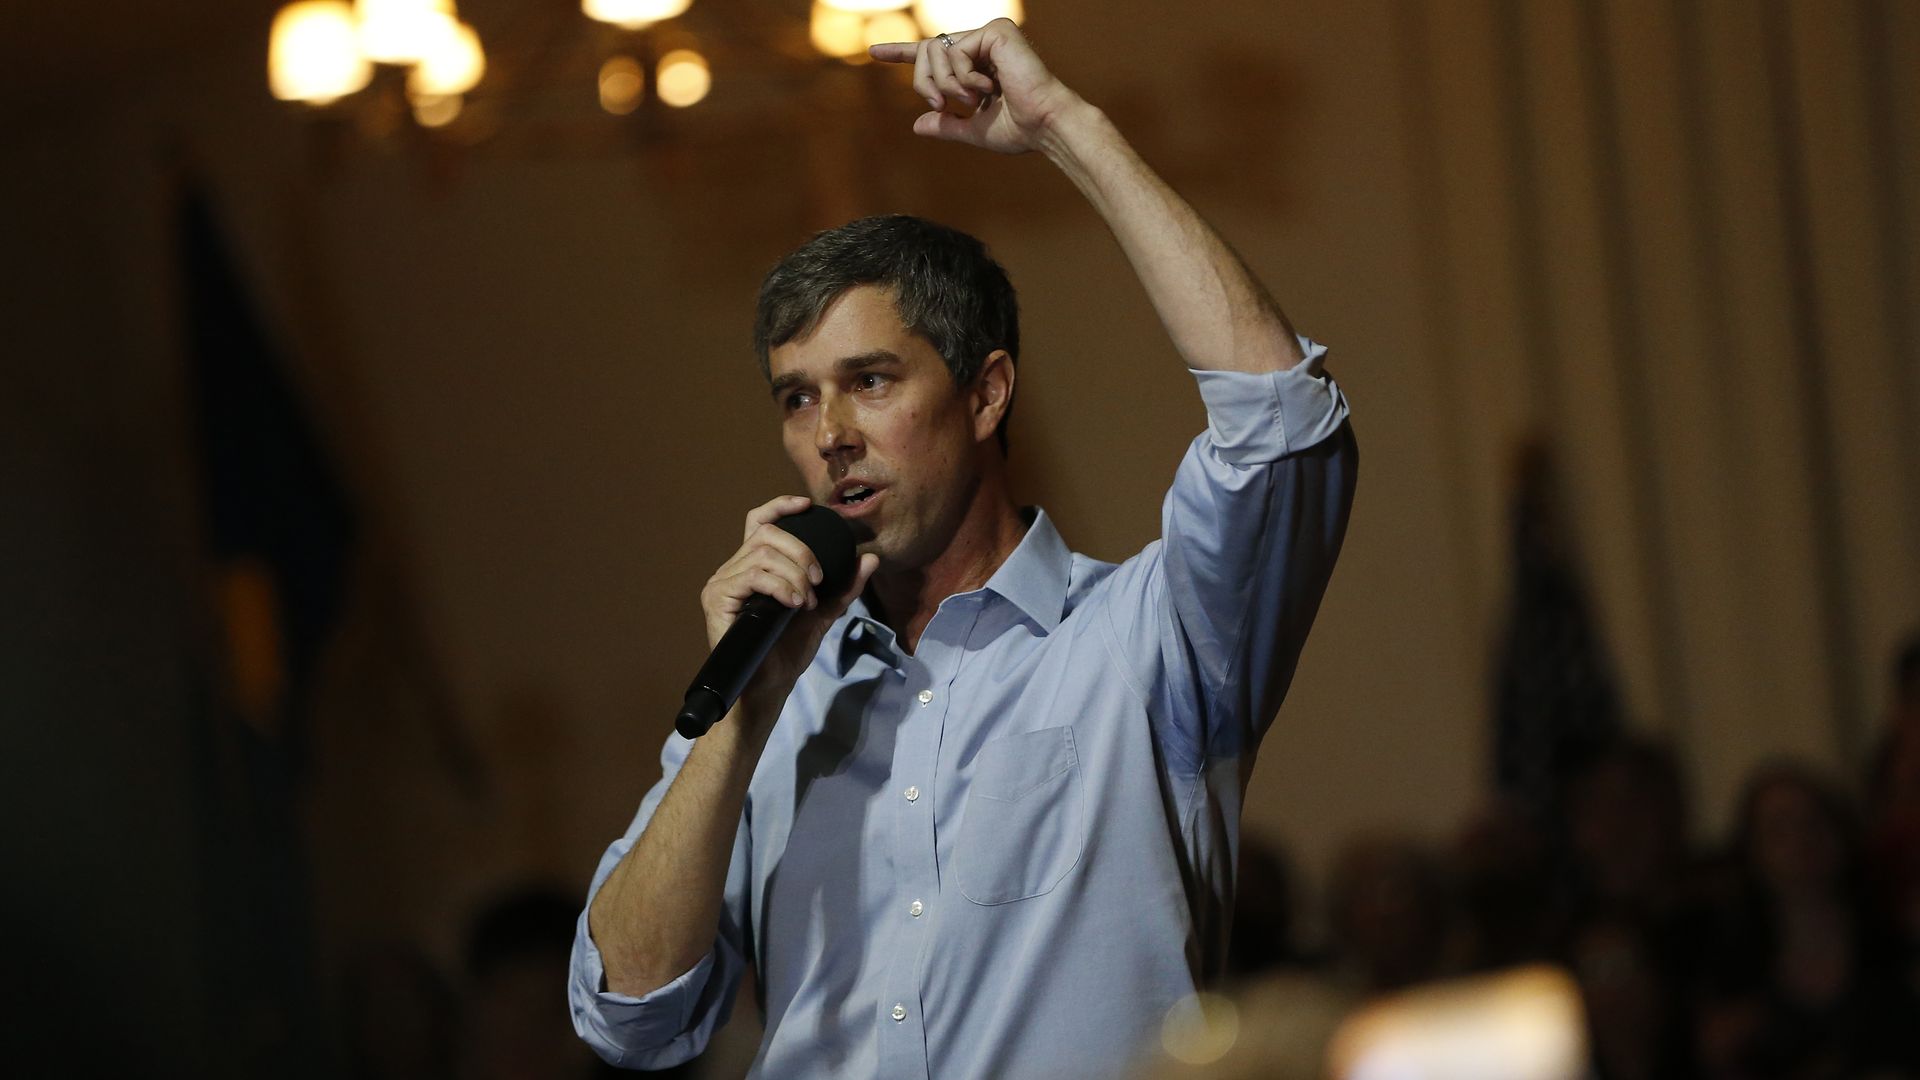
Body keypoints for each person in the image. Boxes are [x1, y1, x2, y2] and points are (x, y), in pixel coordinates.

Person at [569, 19, 1358, 1078]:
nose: (830, 433)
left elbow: (1281, 426)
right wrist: (741, 718)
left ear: (985, 393)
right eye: (798, 398)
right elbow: (628, 1013)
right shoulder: (770, 694)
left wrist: (1066, 130)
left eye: (872, 381)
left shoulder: (1147, 640)